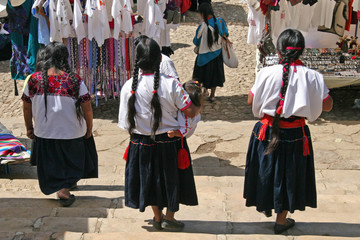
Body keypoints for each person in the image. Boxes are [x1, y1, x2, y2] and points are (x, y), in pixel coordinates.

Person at [244, 29, 333, 234]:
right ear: (301, 51)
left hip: (266, 131)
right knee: (289, 175)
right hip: (295, 134)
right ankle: (281, 219)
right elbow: (327, 105)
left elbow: (250, 100)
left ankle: (267, 204)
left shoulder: (266, 72)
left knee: (267, 171)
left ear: (279, 50)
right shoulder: (313, 76)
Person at [118, 38, 199, 231]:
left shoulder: (128, 86)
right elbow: (189, 111)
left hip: (141, 144)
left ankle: (157, 216)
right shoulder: (172, 85)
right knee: (171, 179)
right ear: (158, 59)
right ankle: (169, 217)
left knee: (150, 179)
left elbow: (124, 124)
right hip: (169, 142)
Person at [22, 42, 97, 207]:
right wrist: (89, 129)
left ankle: (63, 184)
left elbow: (27, 108)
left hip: (44, 133)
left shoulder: (33, 80)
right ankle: (64, 188)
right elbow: (87, 110)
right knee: (73, 151)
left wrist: (29, 128)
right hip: (72, 134)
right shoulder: (75, 81)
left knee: (53, 158)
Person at [192, 2, 228, 102]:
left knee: (201, 76)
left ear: (202, 14)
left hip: (203, 57)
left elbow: (196, 41)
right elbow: (226, 34)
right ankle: (212, 95)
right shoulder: (220, 22)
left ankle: (203, 93)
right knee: (214, 76)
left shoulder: (202, 27)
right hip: (217, 55)